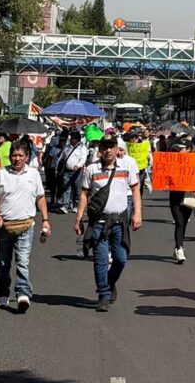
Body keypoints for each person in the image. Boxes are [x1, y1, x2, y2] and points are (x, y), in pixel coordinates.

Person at [74, 134, 142, 312]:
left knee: (120, 258)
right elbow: (84, 194)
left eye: (111, 146)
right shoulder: (91, 169)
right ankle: (103, 294)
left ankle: (110, 281)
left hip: (120, 220)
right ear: (99, 150)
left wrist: (137, 214)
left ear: (117, 148)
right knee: (101, 259)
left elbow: (135, 189)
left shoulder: (126, 166)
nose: (108, 150)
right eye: (104, 147)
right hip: (99, 222)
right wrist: (79, 219)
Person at [0, 142, 51, 313]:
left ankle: (23, 293)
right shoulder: (1, 173)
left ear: (27, 157)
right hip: (4, 226)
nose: (17, 159)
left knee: (22, 261)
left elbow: (40, 197)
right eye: (14, 155)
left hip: (26, 225)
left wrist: (45, 219)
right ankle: (2, 293)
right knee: (3, 263)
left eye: (20, 155)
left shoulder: (33, 173)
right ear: (10, 156)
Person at [167, 141, 195, 264]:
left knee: (183, 223)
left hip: (188, 196)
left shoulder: (194, 162)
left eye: (184, 149)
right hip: (175, 196)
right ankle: (179, 249)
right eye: (179, 149)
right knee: (179, 222)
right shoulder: (171, 163)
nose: (182, 151)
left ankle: (179, 245)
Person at [58, 131, 88, 214]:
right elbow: (62, 157)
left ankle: (76, 205)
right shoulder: (67, 147)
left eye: (73, 139)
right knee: (66, 187)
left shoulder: (82, 148)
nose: (71, 140)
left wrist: (78, 165)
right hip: (67, 170)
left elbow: (83, 158)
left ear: (77, 139)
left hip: (77, 171)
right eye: (71, 138)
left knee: (77, 188)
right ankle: (65, 205)